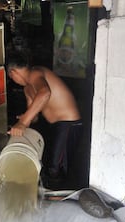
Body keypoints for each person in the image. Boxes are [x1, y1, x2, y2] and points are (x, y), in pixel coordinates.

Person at [6, 52, 83, 190]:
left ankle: (60, 200)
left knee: (56, 168)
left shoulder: (35, 73)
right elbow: (33, 116)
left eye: (12, 78)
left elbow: (45, 93)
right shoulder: (27, 88)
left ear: (13, 73)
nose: (14, 81)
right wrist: (23, 119)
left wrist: (23, 123)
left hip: (68, 123)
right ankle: (52, 194)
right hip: (56, 125)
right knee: (49, 164)